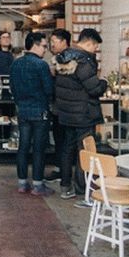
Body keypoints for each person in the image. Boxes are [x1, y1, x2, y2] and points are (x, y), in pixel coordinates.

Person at [53, 28, 107, 200]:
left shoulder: (63, 58)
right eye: (95, 46)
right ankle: (82, 188)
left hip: (67, 114)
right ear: (89, 42)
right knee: (85, 152)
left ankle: (65, 186)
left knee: (67, 150)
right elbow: (94, 88)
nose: (95, 50)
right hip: (83, 114)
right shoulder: (83, 62)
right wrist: (104, 83)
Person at [9, 32, 54, 196]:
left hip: (23, 111)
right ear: (34, 45)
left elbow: (12, 88)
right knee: (39, 148)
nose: (45, 50)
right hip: (40, 111)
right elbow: (49, 89)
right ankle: (37, 185)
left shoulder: (16, 64)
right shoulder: (41, 65)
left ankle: (22, 183)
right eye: (43, 46)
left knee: (23, 146)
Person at [44, 28, 71, 183]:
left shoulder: (67, 58)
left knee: (63, 140)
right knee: (60, 139)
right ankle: (60, 169)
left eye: (54, 41)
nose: (51, 44)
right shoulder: (58, 57)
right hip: (59, 106)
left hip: (65, 107)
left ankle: (63, 174)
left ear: (63, 42)